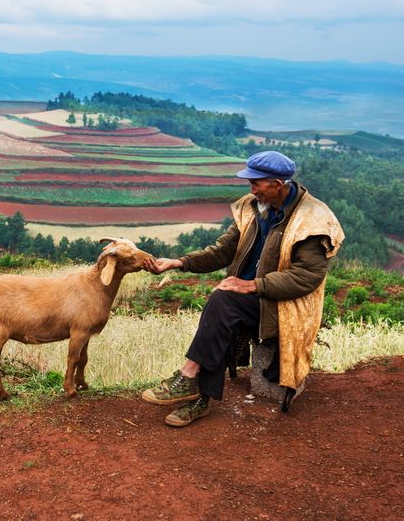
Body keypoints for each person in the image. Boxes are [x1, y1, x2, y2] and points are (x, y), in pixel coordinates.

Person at [141, 151, 344, 427]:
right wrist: (180, 262)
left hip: (282, 304)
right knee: (223, 305)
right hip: (247, 298)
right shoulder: (254, 208)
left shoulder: (312, 220)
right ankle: (197, 395)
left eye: (256, 183)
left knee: (224, 302)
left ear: (277, 184)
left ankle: (189, 379)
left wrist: (252, 285)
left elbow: (307, 277)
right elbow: (223, 250)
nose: (251, 189)